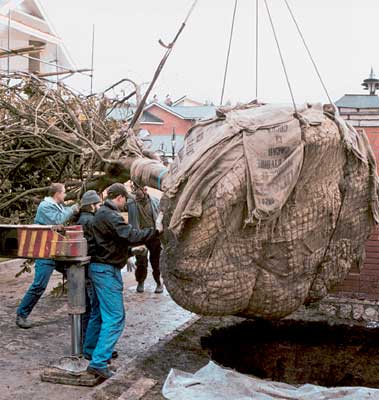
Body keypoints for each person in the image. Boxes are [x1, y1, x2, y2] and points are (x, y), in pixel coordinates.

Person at [84, 183, 160, 379]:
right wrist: (156, 231)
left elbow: (109, 243)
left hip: (99, 267)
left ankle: (91, 350)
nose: (125, 203)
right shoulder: (111, 215)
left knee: (98, 314)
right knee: (115, 317)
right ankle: (98, 362)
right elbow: (130, 234)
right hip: (106, 271)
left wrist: (129, 252)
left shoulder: (101, 214)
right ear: (119, 198)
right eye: (125, 199)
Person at [16, 183, 79, 329]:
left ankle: (80, 311)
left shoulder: (57, 206)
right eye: (64, 193)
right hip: (44, 251)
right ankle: (21, 315)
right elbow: (58, 219)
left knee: (77, 275)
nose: (65, 195)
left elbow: (58, 224)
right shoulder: (45, 206)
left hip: (56, 250)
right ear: (56, 194)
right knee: (39, 284)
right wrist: (73, 209)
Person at [127, 183, 163, 294]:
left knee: (156, 261)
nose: (136, 194)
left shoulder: (155, 201)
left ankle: (158, 282)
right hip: (139, 236)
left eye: (138, 191)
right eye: (134, 191)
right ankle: (140, 282)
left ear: (144, 190)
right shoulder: (131, 204)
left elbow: (162, 215)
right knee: (141, 262)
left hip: (154, 235)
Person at [76, 190, 101, 345]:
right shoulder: (91, 221)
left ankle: (84, 341)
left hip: (83, 270)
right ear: (92, 205)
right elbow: (95, 245)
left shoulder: (80, 220)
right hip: (91, 269)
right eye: (98, 204)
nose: (99, 206)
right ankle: (90, 344)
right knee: (94, 309)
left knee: (86, 307)